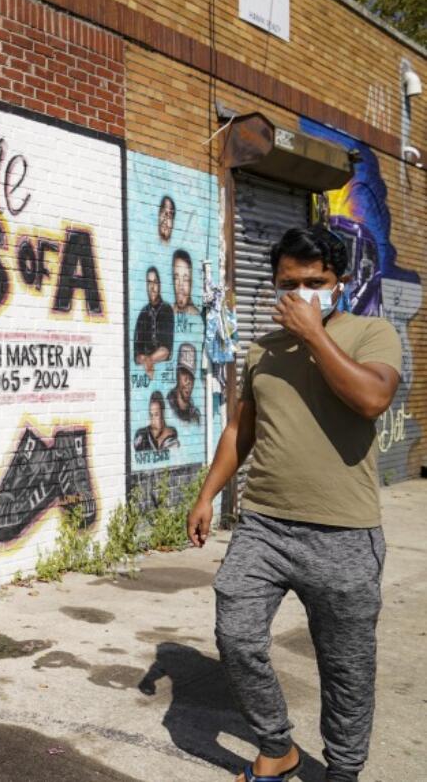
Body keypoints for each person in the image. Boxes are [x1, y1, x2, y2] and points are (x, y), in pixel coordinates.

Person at [187, 225, 402, 782]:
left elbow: (372, 398)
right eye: (290, 284)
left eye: (316, 282)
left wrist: (314, 336)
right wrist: (208, 494)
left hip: (344, 534)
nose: (303, 294)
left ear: (341, 283)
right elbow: (241, 427)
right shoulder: (262, 349)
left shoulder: (371, 333)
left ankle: (343, 771)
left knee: (346, 670)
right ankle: (276, 746)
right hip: (265, 526)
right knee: (235, 633)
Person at [134, 266, 173, 376]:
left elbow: (166, 351)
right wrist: (145, 360)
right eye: (149, 283)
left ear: (159, 285)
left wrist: (149, 360)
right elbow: (136, 354)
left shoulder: (166, 310)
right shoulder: (143, 314)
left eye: (155, 282)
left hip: (162, 375)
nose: (152, 287)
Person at [167, 343, 201, 423]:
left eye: (191, 377)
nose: (188, 381)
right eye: (184, 373)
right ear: (177, 375)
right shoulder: (167, 406)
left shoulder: (195, 416)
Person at [172, 249, 201, 316]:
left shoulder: (198, 317)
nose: (180, 286)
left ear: (191, 281)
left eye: (185, 279)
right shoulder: (168, 314)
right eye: (176, 278)